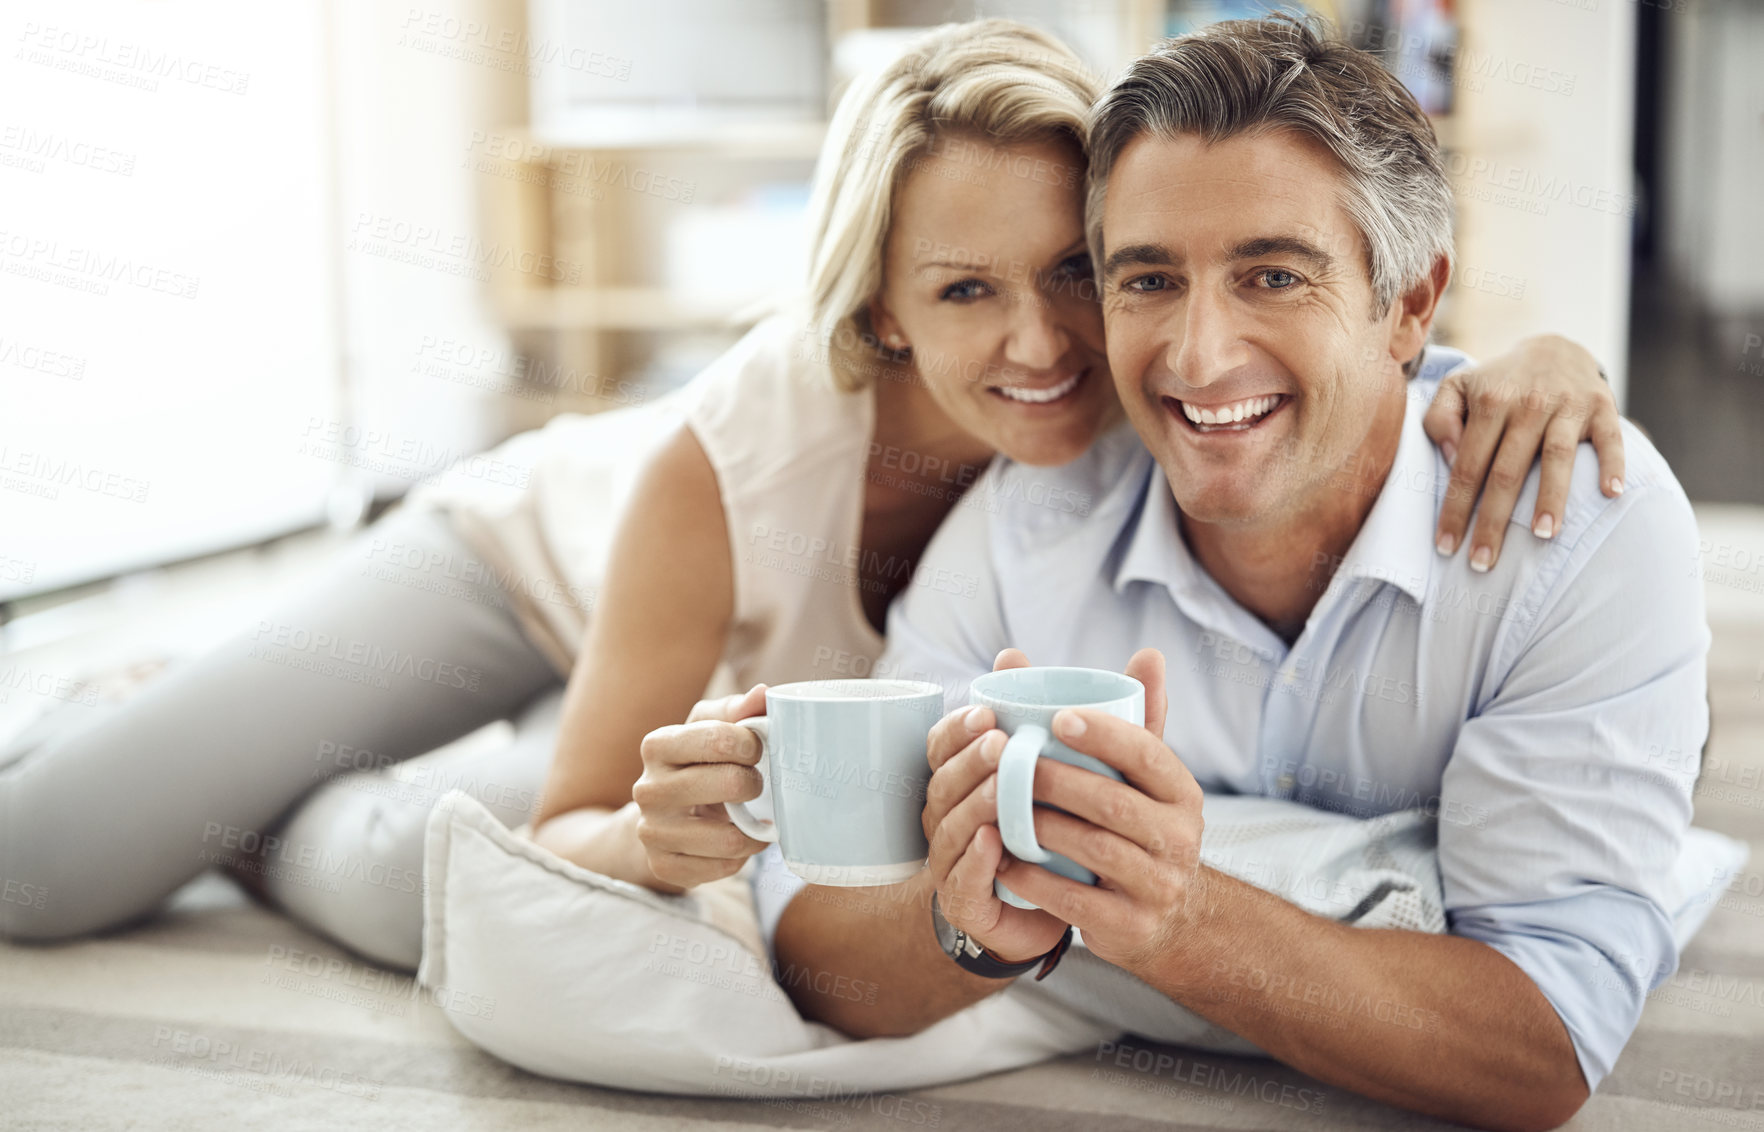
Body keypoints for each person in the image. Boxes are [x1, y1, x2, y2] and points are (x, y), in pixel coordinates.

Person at [0, 20, 1620, 975]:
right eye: (965, 291)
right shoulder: (728, 465)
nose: (1048, 339)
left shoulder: (1159, 367)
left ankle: (248, 772)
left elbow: (1321, 326)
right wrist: (644, 836)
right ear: (878, 312)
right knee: (60, 865)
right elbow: (581, 809)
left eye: (1074, 272)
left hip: (699, 698)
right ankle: (152, 710)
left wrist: (1547, 358)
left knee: (435, 867)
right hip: (529, 575)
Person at [633, 17, 1708, 1131]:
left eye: (1274, 275)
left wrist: (1181, 921)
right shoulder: (1019, 523)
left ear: (1412, 304)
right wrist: (967, 927)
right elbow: (815, 937)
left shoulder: (1578, 529)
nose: (1198, 358)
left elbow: (1544, 1047)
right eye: (1148, 280)